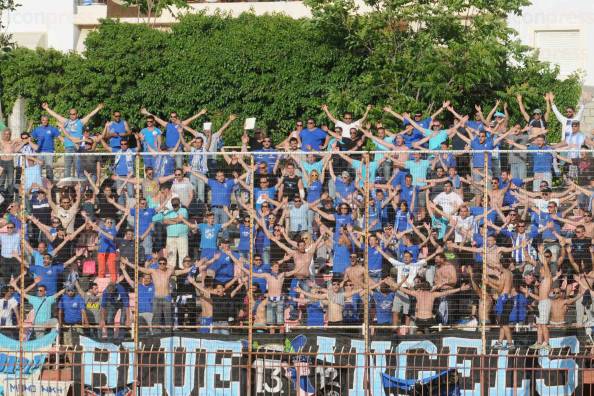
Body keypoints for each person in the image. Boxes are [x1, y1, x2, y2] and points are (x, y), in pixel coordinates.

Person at [124, 257, 195, 334]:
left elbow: (181, 271)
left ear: (166, 264)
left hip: (166, 297)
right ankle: (156, 334)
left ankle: (168, 334)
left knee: (168, 318)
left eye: (164, 263)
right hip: (157, 298)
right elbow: (139, 268)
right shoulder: (153, 271)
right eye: (160, 263)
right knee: (156, 318)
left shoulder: (169, 272)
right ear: (158, 264)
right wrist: (128, 263)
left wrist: (194, 267)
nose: (162, 265)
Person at [41, 102, 104, 178]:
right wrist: (47, 108)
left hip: (77, 148)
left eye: (74, 114)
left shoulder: (80, 122)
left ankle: (79, 186)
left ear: (77, 114)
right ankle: (67, 187)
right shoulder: (66, 122)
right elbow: (55, 115)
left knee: (78, 168)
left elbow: (90, 115)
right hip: (68, 147)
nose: (72, 115)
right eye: (71, 114)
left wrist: (98, 108)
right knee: (67, 168)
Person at [31, 115, 60, 181]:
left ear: (48, 121)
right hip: (39, 152)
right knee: (38, 169)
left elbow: (60, 137)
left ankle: (50, 187)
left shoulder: (52, 129)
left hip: (49, 152)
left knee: (49, 169)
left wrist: (68, 142)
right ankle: (38, 186)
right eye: (43, 120)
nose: (45, 121)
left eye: (46, 120)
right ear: (41, 121)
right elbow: (30, 139)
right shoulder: (37, 129)